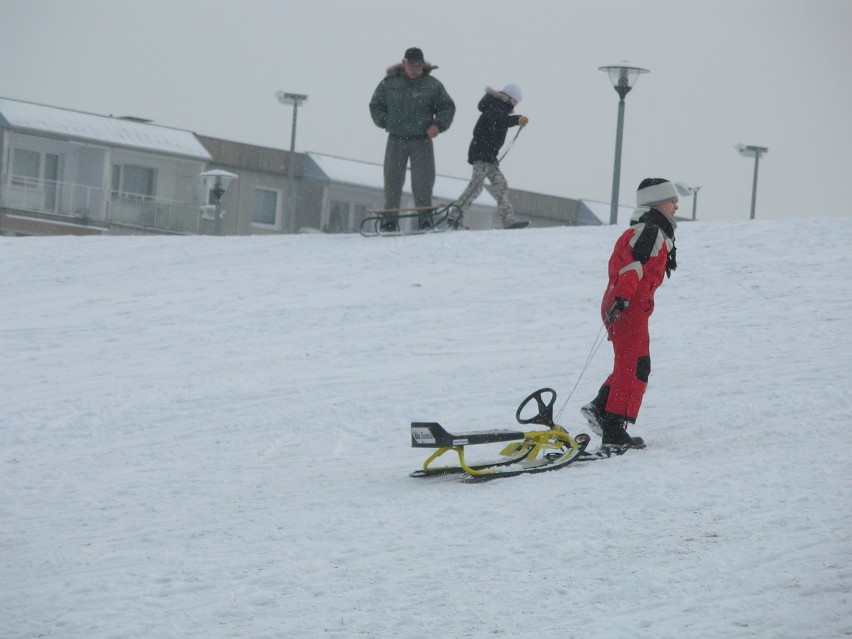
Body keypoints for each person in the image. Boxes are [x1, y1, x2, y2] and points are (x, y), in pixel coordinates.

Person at [581, 178, 679, 454]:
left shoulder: (651, 230)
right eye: (671, 199)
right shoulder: (650, 232)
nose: (676, 205)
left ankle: (601, 407)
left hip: (630, 306)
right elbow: (632, 267)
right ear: (656, 202)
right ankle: (613, 430)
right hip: (628, 306)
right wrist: (623, 299)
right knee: (634, 367)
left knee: (634, 364)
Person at [369, 47, 456, 232]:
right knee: (392, 181)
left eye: (419, 66)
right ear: (404, 64)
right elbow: (375, 105)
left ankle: (425, 220)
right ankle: (390, 220)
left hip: (421, 141)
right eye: (412, 66)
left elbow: (447, 107)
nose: (416, 70)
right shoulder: (389, 83)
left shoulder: (433, 85)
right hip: (396, 140)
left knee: (423, 182)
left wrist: (438, 125)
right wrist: (385, 121)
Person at [451, 85, 529, 230]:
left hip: (489, 155)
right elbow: (500, 121)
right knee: (476, 187)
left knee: (500, 185)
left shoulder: (499, 107)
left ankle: (508, 220)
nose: (516, 105)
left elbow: (501, 121)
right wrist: (517, 119)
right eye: (516, 101)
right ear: (510, 98)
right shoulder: (496, 106)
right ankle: (455, 216)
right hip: (482, 154)